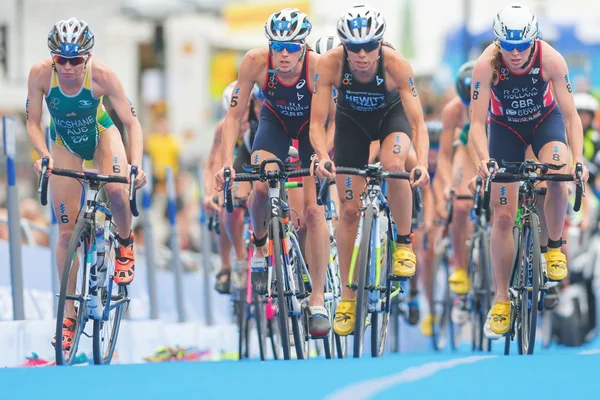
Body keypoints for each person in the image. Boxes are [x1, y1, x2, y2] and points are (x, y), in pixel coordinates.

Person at [26, 17, 147, 349]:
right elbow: (33, 122)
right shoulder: (39, 74)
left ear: (87, 58)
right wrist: (42, 155)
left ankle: (124, 242)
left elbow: (132, 124)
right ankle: (68, 313)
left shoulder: (103, 76)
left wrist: (136, 166)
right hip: (63, 143)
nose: (67, 67)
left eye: (75, 60)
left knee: (118, 192)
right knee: (66, 231)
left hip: (101, 135)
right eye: (60, 59)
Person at [469, 3, 589, 338]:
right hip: (505, 130)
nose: (517, 54)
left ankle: (553, 246)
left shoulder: (550, 59)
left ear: (533, 40)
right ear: (498, 43)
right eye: (509, 47)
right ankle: (501, 299)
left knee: (557, 172)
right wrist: (483, 157)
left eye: (523, 47)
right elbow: (477, 123)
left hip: (544, 124)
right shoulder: (485, 66)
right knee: (503, 216)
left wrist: (577, 160)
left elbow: (570, 117)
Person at [310, 5, 430, 336]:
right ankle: (348, 297)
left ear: (380, 43)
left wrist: (421, 162)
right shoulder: (330, 64)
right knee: (348, 212)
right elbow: (318, 122)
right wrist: (322, 154)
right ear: (344, 45)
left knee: (393, 166)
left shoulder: (396, 66)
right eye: (354, 47)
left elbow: (418, 123)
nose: (362, 56)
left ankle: (403, 242)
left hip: (391, 120)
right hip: (352, 125)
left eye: (369, 47)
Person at [214, 8, 335, 337]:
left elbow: (330, 120)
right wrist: (226, 161)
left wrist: (322, 155)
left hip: (313, 127)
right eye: (278, 47)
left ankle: (318, 299)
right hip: (275, 123)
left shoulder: (319, 68)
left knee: (312, 210)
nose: (284, 55)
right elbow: (233, 116)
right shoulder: (254, 62)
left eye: (292, 47)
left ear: (304, 46)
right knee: (262, 184)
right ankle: (260, 242)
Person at [204, 81, 264, 294]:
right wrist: (211, 194)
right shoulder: (224, 129)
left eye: (247, 110)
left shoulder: (260, 123)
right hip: (236, 169)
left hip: (253, 166)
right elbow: (213, 163)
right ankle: (233, 261)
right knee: (225, 208)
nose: (242, 121)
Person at [435, 61, 478, 296]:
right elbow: (444, 154)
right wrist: (448, 184)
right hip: (466, 149)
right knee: (460, 205)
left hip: (494, 144)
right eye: (467, 102)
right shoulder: (453, 110)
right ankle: (460, 266)